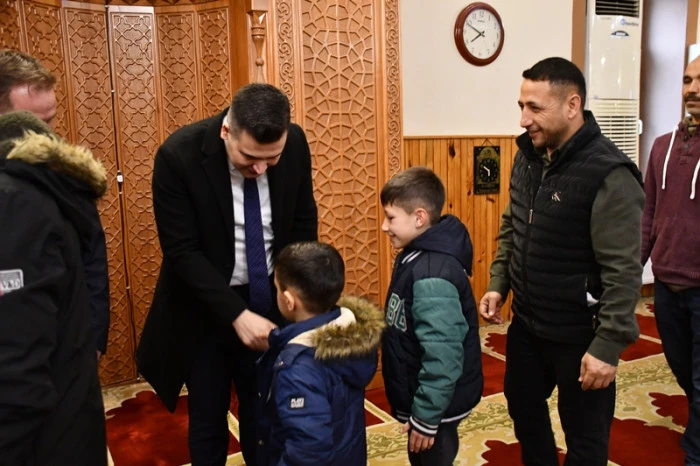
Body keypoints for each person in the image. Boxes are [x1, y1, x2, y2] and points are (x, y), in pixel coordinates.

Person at [136, 82, 318, 466]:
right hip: (206, 306)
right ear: (226, 131)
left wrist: (301, 299)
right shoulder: (178, 155)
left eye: (271, 158)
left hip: (270, 299)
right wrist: (236, 315)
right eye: (249, 156)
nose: (260, 168)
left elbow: (303, 225)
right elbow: (182, 252)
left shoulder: (296, 143)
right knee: (208, 417)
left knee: (266, 413)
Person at [479, 57, 644, 465]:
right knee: (523, 407)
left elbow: (623, 272)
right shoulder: (527, 155)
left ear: (572, 105)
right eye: (522, 106)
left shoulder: (610, 174)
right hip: (529, 324)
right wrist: (499, 282)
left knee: (585, 440)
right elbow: (514, 224)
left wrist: (607, 346)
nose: (523, 119)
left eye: (535, 108)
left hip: (580, 334)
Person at [0, 111, 107, 465]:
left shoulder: (14, 203)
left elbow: (17, 366)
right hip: (64, 416)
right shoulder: (45, 192)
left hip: (43, 434)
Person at [0, 48, 110, 360]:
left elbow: (92, 255)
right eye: (34, 123)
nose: (46, 135)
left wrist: (94, 335)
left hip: (72, 343)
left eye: (50, 121)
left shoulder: (66, 172)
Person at [380, 166, 483, 466]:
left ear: (419, 218)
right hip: (427, 397)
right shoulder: (417, 256)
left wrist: (426, 416)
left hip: (436, 407)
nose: (385, 227)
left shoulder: (432, 274)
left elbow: (443, 353)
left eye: (390, 218)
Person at [256, 241, 384, 465]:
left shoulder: (298, 371)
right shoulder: (351, 335)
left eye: (276, 288)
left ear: (289, 301)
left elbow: (308, 451)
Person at [641, 55, 700, 466]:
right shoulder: (662, 146)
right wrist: (632, 269)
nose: (692, 89)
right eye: (687, 80)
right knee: (682, 369)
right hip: (666, 285)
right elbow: (648, 213)